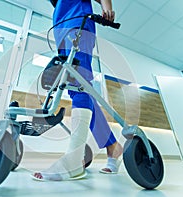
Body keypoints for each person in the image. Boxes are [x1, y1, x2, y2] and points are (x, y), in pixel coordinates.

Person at [31, 0, 123, 181]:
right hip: (61, 28)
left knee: (80, 83)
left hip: (78, 24)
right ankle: (112, 146)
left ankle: (73, 160)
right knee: (76, 89)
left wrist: (107, 7)